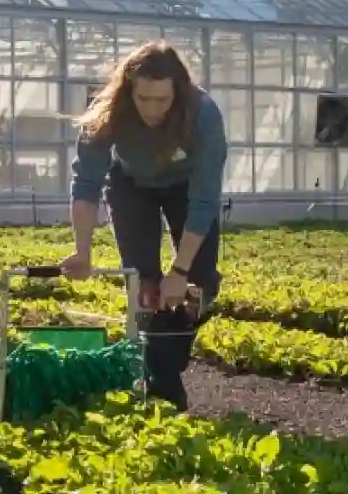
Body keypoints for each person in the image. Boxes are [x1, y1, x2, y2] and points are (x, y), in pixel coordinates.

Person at [60, 39, 227, 411]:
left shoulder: (203, 116)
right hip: (132, 184)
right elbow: (86, 182)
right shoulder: (107, 113)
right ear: (128, 91)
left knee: (198, 285)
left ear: (178, 93)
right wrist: (82, 252)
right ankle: (163, 387)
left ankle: (164, 365)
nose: (153, 109)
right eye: (144, 99)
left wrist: (181, 270)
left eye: (162, 100)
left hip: (186, 189)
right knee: (145, 285)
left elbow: (204, 201)